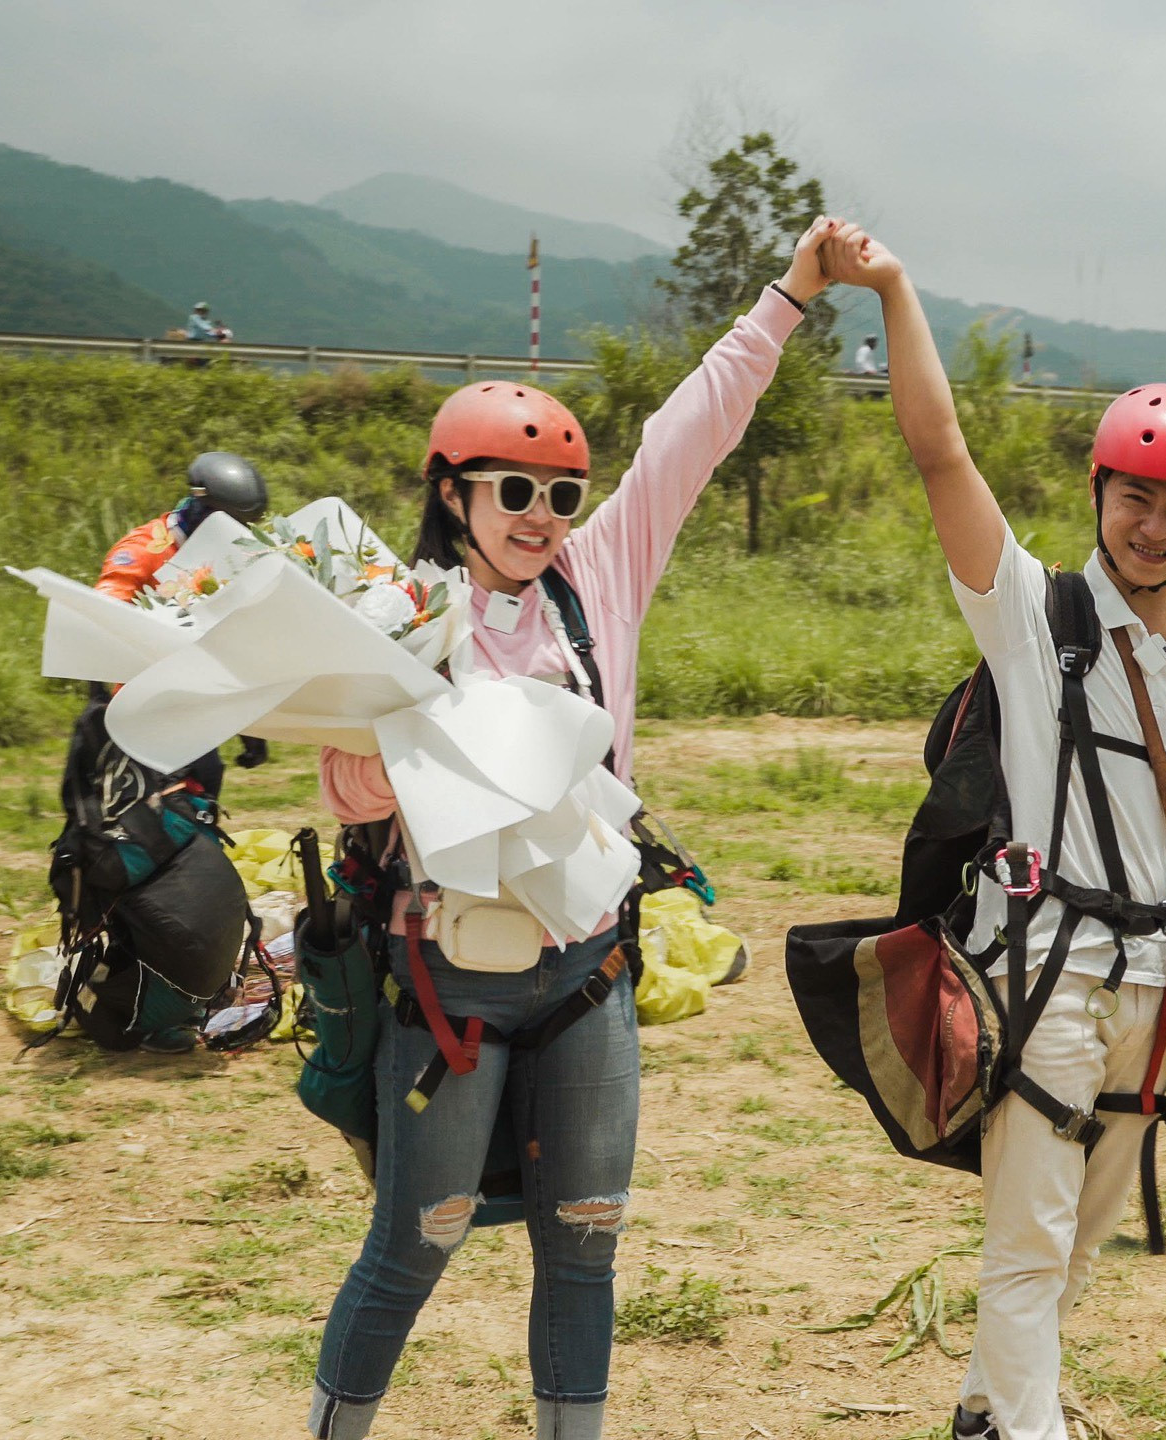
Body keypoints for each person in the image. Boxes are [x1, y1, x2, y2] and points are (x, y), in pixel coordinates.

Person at [305, 217, 844, 1440]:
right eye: (514, 491)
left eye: (559, 494)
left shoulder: (595, 581)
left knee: (586, 1246)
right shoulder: (394, 609)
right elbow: (340, 787)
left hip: (588, 968)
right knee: (414, 1243)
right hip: (446, 976)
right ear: (452, 493)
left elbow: (688, 438)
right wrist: (392, 763)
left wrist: (793, 293)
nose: (541, 513)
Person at [822, 223, 1166, 1440]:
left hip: (1159, 985)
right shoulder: (1034, 619)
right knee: (1028, 1241)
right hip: (1046, 972)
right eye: (1137, 498)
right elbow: (938, 452)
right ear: (1100, 492)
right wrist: (895, 289)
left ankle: (985, 1408)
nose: (1156, 527)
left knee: (1083, 1237)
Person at [93, 450, 273, 796]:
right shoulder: (146, 548)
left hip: (197, 709)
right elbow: (100, 612)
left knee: (203, 789)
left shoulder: (229, 555)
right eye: (232, 522)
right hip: (142, 710)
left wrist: (252, 729)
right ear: (203, 510)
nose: (239, 533)